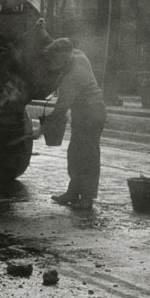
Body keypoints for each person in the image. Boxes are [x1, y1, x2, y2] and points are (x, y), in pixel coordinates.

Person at [34, 38, 107, 210]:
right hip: (82, 115)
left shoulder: (74, 76)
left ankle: (87, 198)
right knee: (75, 153)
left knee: (88, 156)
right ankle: (73, 192)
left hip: (92, 115)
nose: (54, 63)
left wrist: (40, 130)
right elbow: (61, 47)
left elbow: (60, 110)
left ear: (66, 54)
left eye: (56, 58)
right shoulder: (79, 55)